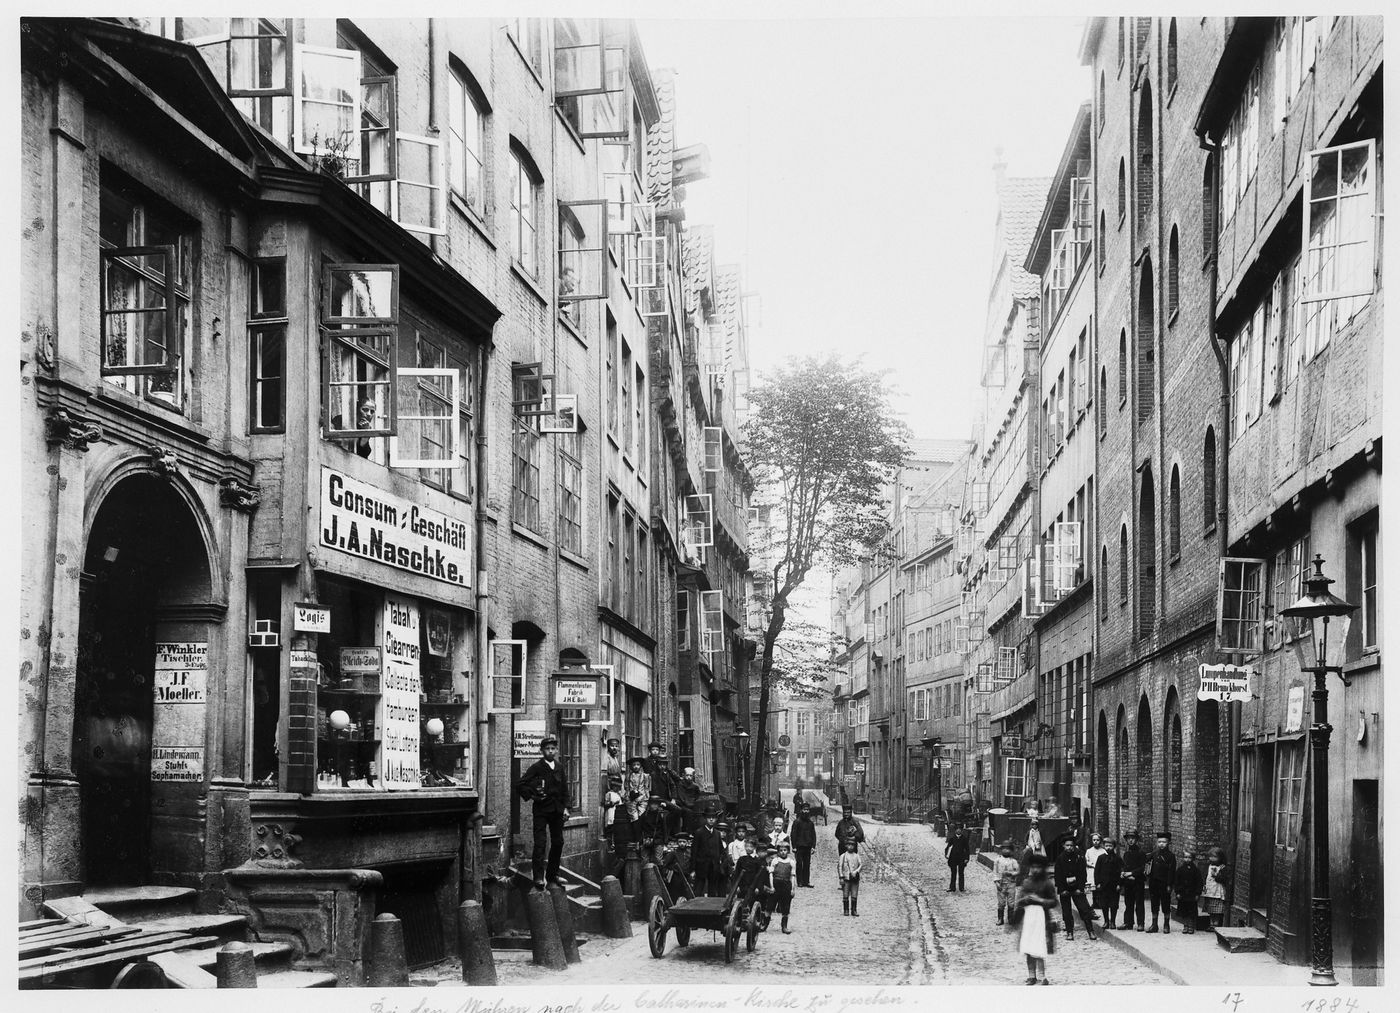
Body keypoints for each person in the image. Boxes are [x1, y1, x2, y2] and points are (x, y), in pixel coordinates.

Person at [514, 734, 570, 888]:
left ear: (556, 750)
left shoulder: (559, 767)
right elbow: (520, 784)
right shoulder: (537, 767)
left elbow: (565, 789)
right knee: (540, 843)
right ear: (542, 751)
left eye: (553, 749)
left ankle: (553, 875)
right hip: (541, 810)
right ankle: (538, 877)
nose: (550, 751)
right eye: (547, 749)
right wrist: (533, 796)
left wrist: (566, 808)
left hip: (557, 811)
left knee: (558, 842)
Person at [1013, 851, 1058, 985]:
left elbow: (1054, 902)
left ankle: (1042, 976)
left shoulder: (1047, 883)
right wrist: (1024, 899)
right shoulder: (1026, 882)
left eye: (1038, 867)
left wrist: (1040, 900)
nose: (1035, 870)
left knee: (1039, 947)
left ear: (1043, 868)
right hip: (1028, 919)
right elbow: (1019, 901)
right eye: (1033, 867)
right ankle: (1031, 975)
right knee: (1028, 947)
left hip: (1042, 919)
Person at [1052, 837, 1098, 940]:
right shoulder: (1060, 859)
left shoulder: (1079, 858)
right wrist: (1062, 889)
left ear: (1074, 846)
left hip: (1077, 888)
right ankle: (1069, 932)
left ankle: (1091, 931)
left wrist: (1080, 888)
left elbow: (1083, 874)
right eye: (1067, 845)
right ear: (1064, 846)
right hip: (1065, 889)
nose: (1069, 848)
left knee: (1084, 909)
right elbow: (1058, 875)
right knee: (1066, 912)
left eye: (1071, 846)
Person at [1145, 830, 1177, 933]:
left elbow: (1171, 871)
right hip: (1154, 883)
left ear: (1168, 843)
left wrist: (1169, 884)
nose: (1161, 844)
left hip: (1164, 884)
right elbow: (1146, 865)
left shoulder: (1171, 856)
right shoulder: (1153, 854)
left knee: (1165, 904)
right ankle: (1154, 925)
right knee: (1154, 903)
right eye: (1159, 842)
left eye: (1164, 842)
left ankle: (1166, 924)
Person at [692, 813, 730, 897]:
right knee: (698, 889)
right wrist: (693, 869)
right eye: (709, 818)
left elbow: (721, 850)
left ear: (716, 819)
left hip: (714, 866)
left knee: (712, 890)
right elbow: (694, 851)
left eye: (713, 818)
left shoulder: (717, 833)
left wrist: (722, 862)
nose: (711, 820)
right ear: (705, 819)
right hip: (701, 865)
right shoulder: (699, 832)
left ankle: (711, 908)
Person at [1120, 829, 1147, 931]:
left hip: (1138, 881)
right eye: (1129, 839)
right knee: (1128, 903)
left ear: (1136, 840)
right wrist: (1123, 873)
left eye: (1133, 839)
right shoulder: (1126, 853)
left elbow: (1142, 867)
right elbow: (1125, 865)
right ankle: (1128, 922)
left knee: (1139, 903)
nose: (1130, 841)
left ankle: (1141, 923)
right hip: (1128, 882)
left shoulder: (1141, 853)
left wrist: (1132, 873)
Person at [1094, 838, 1125, 928]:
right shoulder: (1101, 858)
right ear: (1104, 846)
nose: (1108, 848)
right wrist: (1098, 883)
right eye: (1106, 846)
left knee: (1114, 904)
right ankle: (1106, 921)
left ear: (1114, 847)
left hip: (1114, 886)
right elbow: (1097, 872)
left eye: (1110, 846)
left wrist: (1119, 884)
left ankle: (1113, 922)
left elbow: (1121, 872)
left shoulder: (1118, 859)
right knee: (1104, 904)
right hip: (1104, 885)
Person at [991, 840, 1022, 925]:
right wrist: (996, 882)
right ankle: (1000, 918)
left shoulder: (1013, 861)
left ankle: (1011, 918)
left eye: (1008, 849)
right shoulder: (997, 860)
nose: (1006, 851)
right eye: (1004, 849)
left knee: (1011, 902)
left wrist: (1012, 873)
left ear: (1011, 850)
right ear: (1001, 850)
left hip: (1011, 883)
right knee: (1001, 902)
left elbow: (1018, 871)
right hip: (1001, 883)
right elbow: (995, 872)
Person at [1175, 848, 1204, 934]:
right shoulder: (1180, 870)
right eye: (1185, 857)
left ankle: (1191, 926)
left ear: (1193, 859)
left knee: (1191, 911)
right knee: (1184, 911)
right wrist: (1178, 892)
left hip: (1191, 894)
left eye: (1189, 857)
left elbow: (1199, 882)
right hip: (1183, 894)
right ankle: (1185, 925)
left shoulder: (1196, 871)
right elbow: (1176, 881)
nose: (1187, 859)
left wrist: (1197, 893)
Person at [771, 841, 798, 933]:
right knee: (771, 904)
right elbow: (771, 874)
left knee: (786, 906)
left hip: (786, 884)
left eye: (785, 850)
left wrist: (793, 889)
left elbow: (793, 876)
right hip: (776, 883)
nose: (783, 852)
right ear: (778, 851)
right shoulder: (775, 861)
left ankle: (784, 926)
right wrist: (771, 886)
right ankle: (764, 924)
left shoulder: (791, 862)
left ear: (788, 851)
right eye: (781, 850)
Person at [637, 794, 670, 866]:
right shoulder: (644, 815)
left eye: (656, 804)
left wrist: (665, 841)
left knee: (658, 860)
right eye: (653, 804)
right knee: (644, 860)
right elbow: (639, 828)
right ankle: (646, 876)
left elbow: (664, 828)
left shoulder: (660, 815)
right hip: (646, 839)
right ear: (649, 805)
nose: (654, 806)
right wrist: (640, 841)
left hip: (658, 839)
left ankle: (659, 875)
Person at [1203, 847, 1231, 928]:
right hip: (1210, 891)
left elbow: (1224, 879)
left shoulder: (1222, 868)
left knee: (1217, 910)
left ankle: (1216, 923)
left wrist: (1216, 876)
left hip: (1217, 891)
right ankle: (1211, 923)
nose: (1212, 859)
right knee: (1211, 910)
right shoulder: (1208, 866)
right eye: (1211, 856)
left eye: (1215, 857)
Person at [790, 804, 817, 888]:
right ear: (801, 810)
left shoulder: (810, 823)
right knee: (799, 864)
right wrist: (794, 846)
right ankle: (800, 881)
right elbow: (793, 834)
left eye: (807, 810)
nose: (806, 811)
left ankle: (806, 881)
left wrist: (813, 846)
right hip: (799, 846)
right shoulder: (797, 822)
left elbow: (813, 835)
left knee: (807, 864)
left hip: (807, 846)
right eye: (804, 809)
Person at [674, 766, 705, 832]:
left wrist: (693, 802)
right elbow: (681, 796)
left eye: (691, 776)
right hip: (681, 804)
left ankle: (692, 832)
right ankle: (685, 831)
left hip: (691, 805)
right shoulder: (680, 784)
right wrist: (687, 803)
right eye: (687, 775)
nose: (689, 777)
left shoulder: (695, 786)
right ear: (683, 775)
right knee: (688, 812)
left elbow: (697, 795)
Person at [838, 839, 863, 917]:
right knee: (845, 894)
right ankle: (846, 910)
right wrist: (841, 876)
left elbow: (861, 864)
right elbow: (839, 867)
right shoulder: (843, 856)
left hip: (854, 878)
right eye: (849, 845)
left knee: (854, 894)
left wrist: (857, 871)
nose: (850, 847)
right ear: (846, 846)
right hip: (846, 878)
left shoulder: (856, 856)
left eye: (852, 845)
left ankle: (854, 910)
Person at [1083, 832, 1107, 914]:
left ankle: (1099, 902)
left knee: (1099, 886)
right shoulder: (1089, 851)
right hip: (1092, 870)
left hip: (1101, 871)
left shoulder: (1103, 851)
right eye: (1094, 840)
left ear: (1100, 841)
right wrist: (1092, 865)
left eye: (1097, 840)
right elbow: (1086, 860)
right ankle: (1094, 902)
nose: (1095, 842)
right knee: (1093, 887)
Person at [945, 826, 971, 892]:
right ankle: (952, 888)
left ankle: (961, 888)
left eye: (960, 830)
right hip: (953, 858)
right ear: (955, 831)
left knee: (961, 873)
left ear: (961, 831)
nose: (958, 831)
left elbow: (967, 849)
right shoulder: (952, 838)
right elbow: (948, 847)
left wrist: (967, 858)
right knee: (953, 873)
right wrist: (946, 854)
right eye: (957, 829)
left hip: (961, 858)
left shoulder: (964, 839)